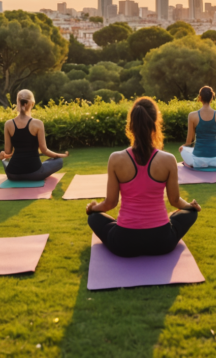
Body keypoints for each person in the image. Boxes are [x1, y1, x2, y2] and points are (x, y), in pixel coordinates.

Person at [86, 97, 201, 257]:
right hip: (162, 242)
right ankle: (167, 219)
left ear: (131, 126)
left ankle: (111, 222)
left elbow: (110, 203)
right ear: (155, 125)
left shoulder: (115, 159)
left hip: (124, 243)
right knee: (190, 213)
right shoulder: (168, 160)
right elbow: (175, 201)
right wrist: (190, 206)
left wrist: (93, 208)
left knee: (94, 218)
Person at [0, 89, 67, 182]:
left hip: (13, 174)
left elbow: (8, 151)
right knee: (59, 161)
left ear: (17, 103)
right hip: (34, 173)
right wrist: (60, 155)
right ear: (32, 104)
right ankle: (44, 164)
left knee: (7, 163)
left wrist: (1, 155)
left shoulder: (8, 124)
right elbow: (44, 150)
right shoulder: (38, 123)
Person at [179, 86, 216, 170]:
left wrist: (183, 147)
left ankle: (197, 163)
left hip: (198, 160)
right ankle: (215, 161)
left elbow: (190, 140)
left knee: (182, 149)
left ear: (200, 98)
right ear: (211, 98)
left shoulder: (192, 115)